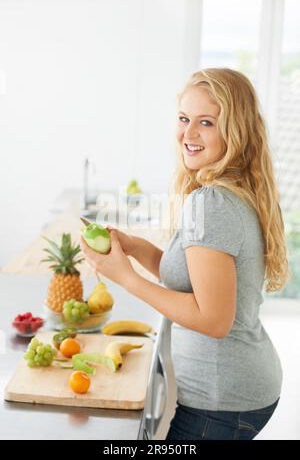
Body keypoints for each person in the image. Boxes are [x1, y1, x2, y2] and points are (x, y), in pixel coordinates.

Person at [80, 68, 290, 440]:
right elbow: (192, 277)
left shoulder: (212, 203)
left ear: (235, 130)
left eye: (206, 122)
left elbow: (213, 319)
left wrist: (125, 277)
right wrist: (134, 246)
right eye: (183, 119)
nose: (188, 134)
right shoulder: (228, 190)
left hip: (222, 401)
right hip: (236, 389)